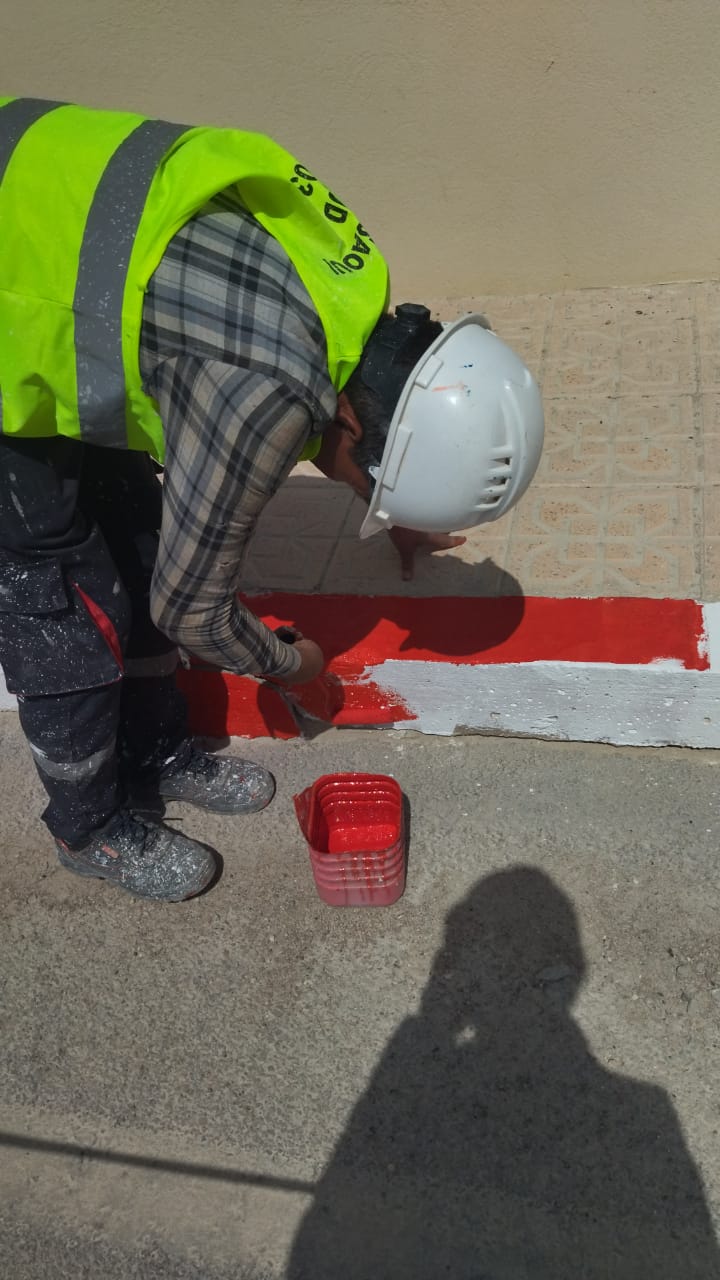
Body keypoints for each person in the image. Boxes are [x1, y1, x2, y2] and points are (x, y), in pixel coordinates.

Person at [0, 96, 544, 902]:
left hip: (37, 250)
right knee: (67, 596)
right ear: (358, 425)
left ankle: (155, 751)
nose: (366, 496)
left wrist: (402, 502)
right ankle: (90, 829)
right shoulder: (265, 391)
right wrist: (293, 665)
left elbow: (341, 426)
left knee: (140, 533)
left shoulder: (354, 294)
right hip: (22, 289)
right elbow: (193, 609)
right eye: (375, 484)